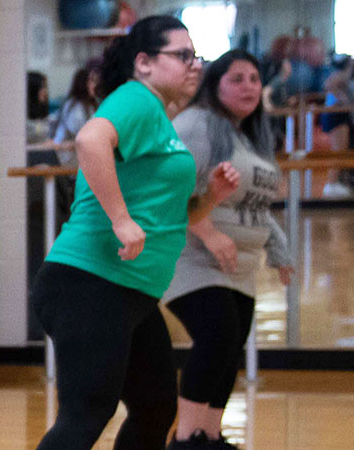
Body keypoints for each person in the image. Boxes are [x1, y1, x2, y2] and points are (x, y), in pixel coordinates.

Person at [32, 16, 241, 450]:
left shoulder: (159, 119)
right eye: (182, 55)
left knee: (155, 409)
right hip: (89, 283)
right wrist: (120, 219)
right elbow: (90, 141)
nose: (194, 65)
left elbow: (170, 216)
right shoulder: (136, 98)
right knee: (86, 415)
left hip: (131, 293)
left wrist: (212, 199)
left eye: (195, 56)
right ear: (143, 63)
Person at [162, 49, 292, 450]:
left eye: (254, 78)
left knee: (230, 345)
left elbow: (254, 205)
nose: (249, 86)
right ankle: (185, 439)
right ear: (213, 85)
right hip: (192, 258)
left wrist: (280, 249)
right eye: (237, 79)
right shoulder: (197, 125)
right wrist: (209, 233)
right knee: (218, 336)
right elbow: (172, 189)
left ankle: (209, 435)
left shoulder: (248, 134)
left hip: (239, 266)